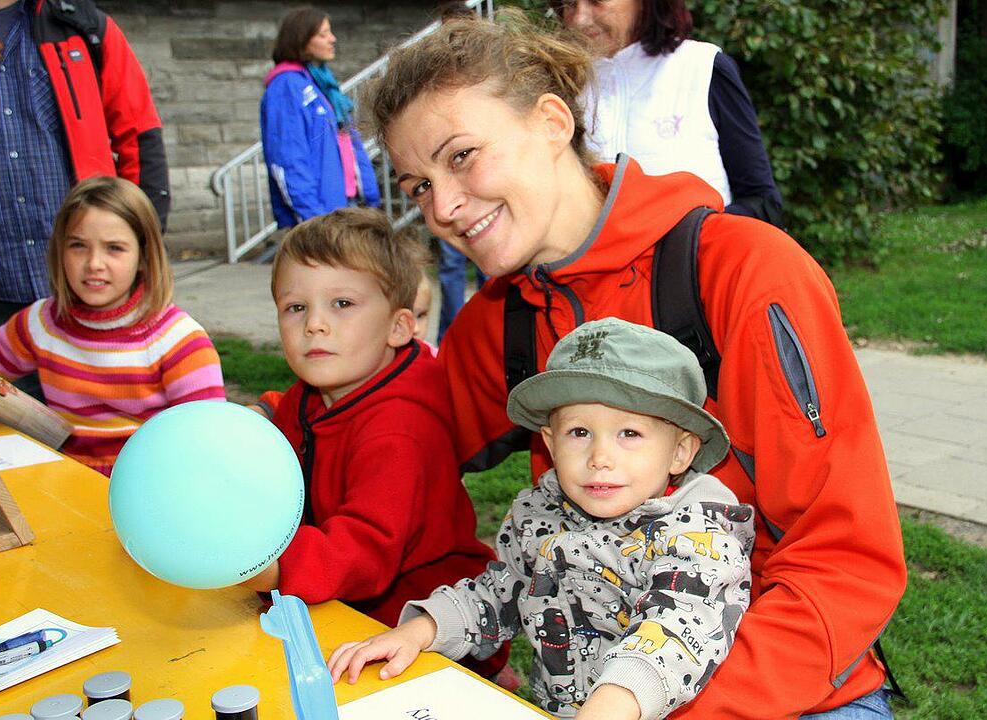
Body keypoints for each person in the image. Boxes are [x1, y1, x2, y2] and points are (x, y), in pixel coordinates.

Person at [363, 12, 906, 718]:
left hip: (783, 689)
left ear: (554, 121)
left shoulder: (745, 271)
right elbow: (402, 442)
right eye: (416, 187)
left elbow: (846, 558)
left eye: (461, 156)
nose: (443, 207)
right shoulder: (500, 321)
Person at [330, 318, 754, 720]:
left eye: (629, 434)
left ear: (681, 451)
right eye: (579, 433)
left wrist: (611, 705)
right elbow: (497, 592)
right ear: (550, 443)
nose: (599, 458)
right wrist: (423, 630)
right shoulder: (539, 515)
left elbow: (675, 632)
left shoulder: (699, 537)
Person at [239, 207, 506, 677]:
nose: (314, 325)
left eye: (342, 304)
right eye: (295, 307)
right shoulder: (322, 389)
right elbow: (296, 427)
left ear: (399, 327)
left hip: (420, 632)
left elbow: (366, 546)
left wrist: (275, 569)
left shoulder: (400, 430)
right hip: (345, 612)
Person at [0, 0, 170, 396]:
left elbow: (139, 133)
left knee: (104, 432)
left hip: (86, 284)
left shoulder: (80, 26)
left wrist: (140, 244)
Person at [0, 177, 223, 476]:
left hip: (148, 491)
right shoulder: (40, 323)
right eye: (78, 246)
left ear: (143, 257)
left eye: (114, 248)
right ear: (60, 251)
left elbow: (210, 440)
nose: (94, 262)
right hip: (64, 483)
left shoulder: (180, 342)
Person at [553, 0, 783, 226]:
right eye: (570, 4)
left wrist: (694, 235)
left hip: (696, 260)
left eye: (596, 1)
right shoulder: (561, 85)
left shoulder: (702, 68)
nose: (579, 18)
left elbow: (762, 202)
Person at [261, 6, 381, 232]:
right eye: (323, 34)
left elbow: (350, 143)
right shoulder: (287, 86)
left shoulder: (321, 84)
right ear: (302, 39)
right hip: (321, 217)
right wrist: (314, 219)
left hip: (347, 207)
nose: (332, 39)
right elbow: (288, 159)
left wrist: (370, 195)